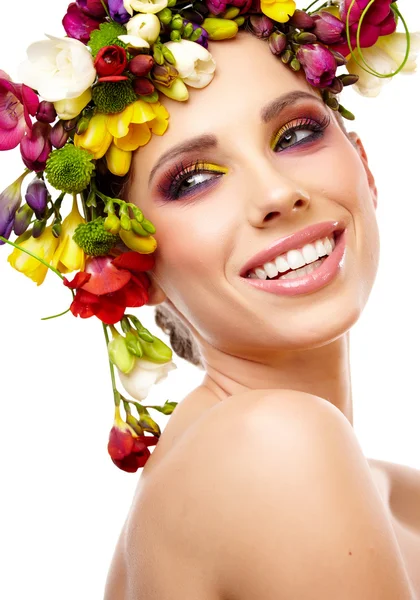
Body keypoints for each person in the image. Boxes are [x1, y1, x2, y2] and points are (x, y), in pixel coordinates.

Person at [0, 1, 419, 599]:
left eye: (296, 134)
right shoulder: (275, 446)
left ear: (365, 168)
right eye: (194, 180)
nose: (277, 192)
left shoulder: (395, 493)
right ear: (130, 271)